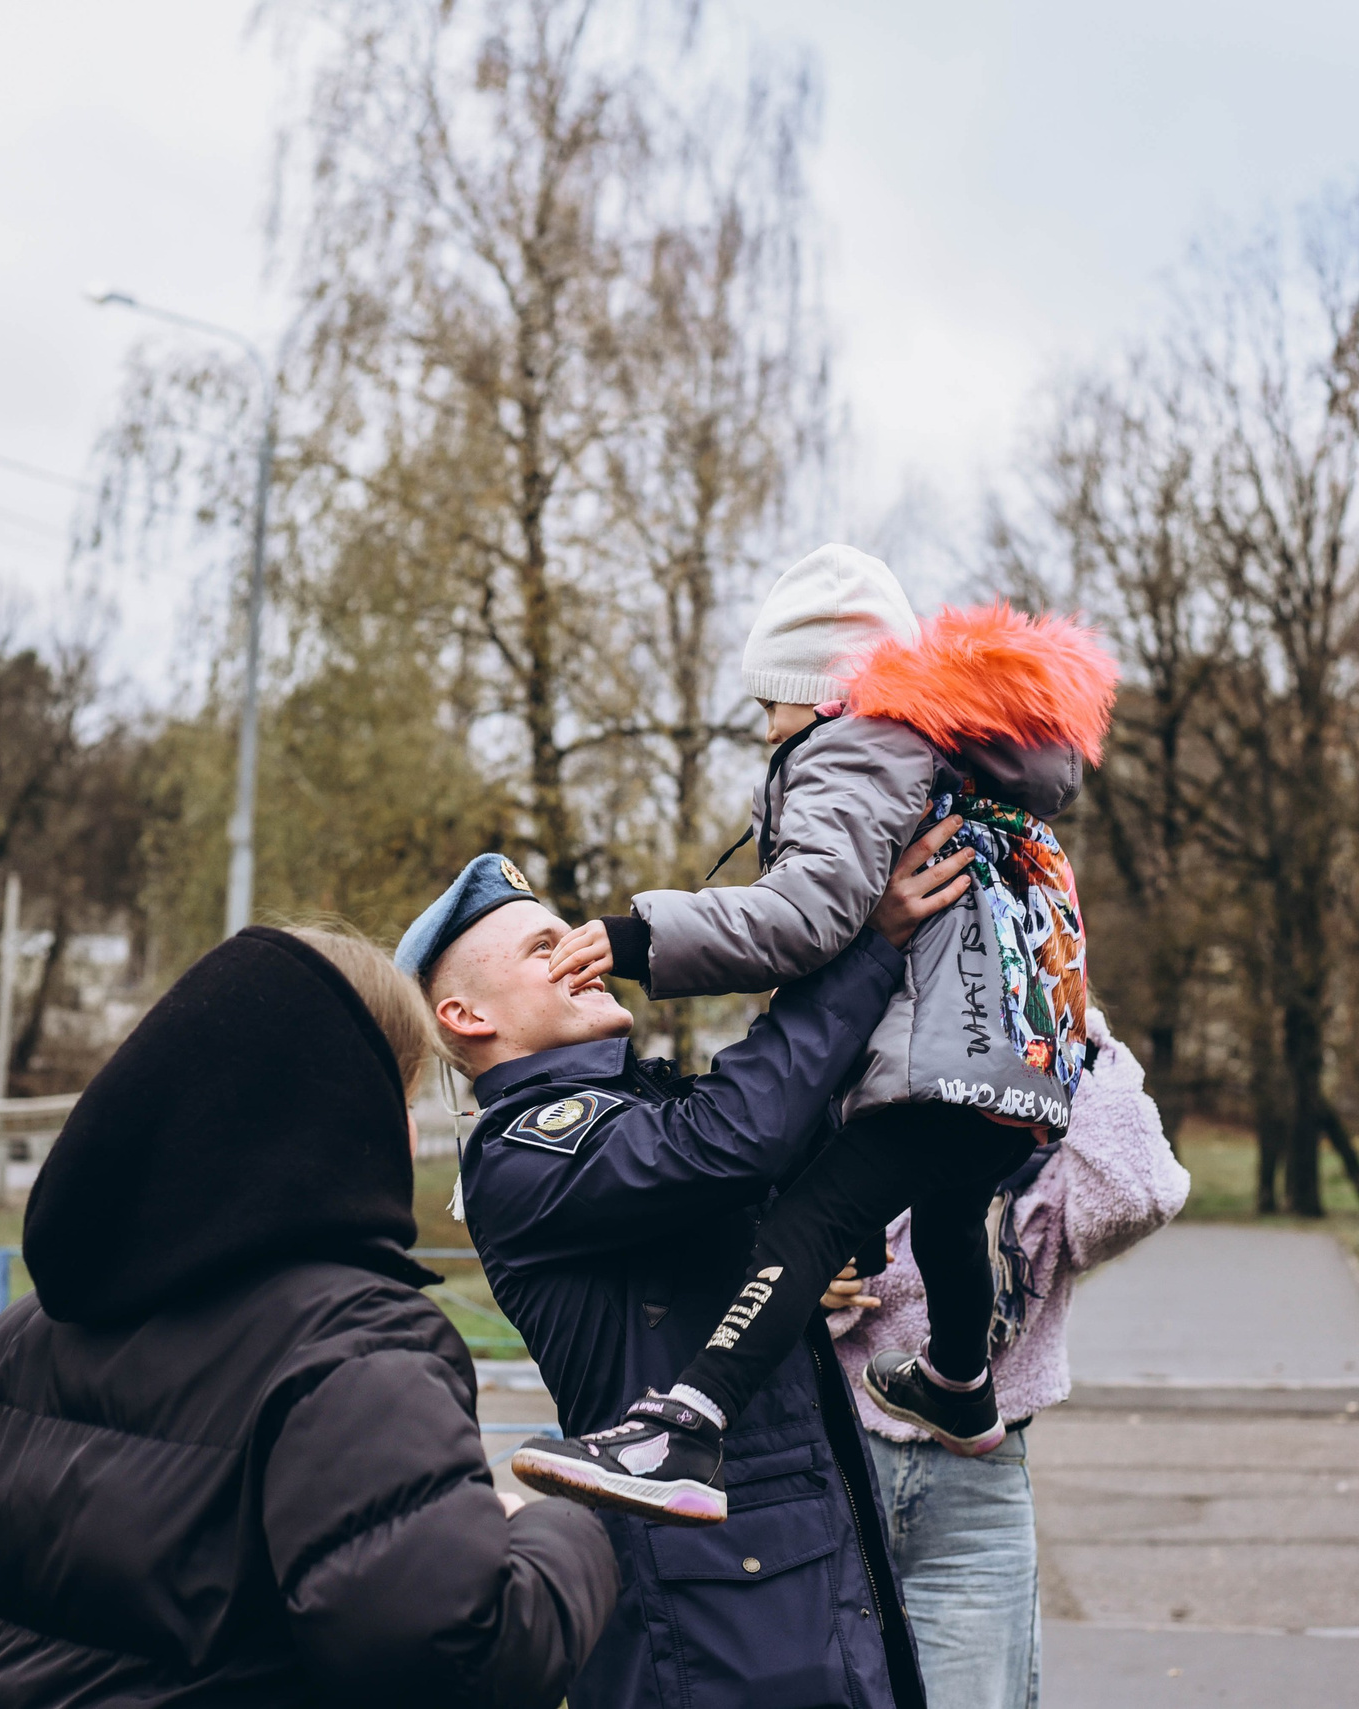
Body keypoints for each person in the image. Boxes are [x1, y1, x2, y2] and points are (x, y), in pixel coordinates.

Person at [519, 545, 1118, 1523]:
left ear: (823, 689)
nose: (766, 728)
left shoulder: (856, 743)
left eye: (771, 703)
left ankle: (688, 1428)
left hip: (945, 1064)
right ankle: (960, 1383)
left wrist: (639, 933)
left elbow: (804, 914)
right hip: (1027, 1068)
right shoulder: (965, 753)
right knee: (948, 1209)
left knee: (811, 1218)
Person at [0, 925, 617, 1709]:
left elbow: (0, 1588)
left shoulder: (12, 1346)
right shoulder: (355, 1349)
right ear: (340, 1104)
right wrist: (557, 1533)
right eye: (401, 1096)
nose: (411, 1130)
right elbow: (456, 1664)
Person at [397, 831, 974, 1709]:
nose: (584, 950)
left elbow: (791, 1138)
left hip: (791, 1576)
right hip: (713, 1629)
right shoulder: (525, 1148)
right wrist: (866, 946)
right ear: (469, 1018)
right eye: (543, 947)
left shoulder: (638, 1102)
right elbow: (740, 1136)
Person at [831, 1010, 1189, 1709]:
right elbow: (737, 1236)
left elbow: (1143, 1191)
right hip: (833, 1471)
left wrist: (1069, 1014)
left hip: (974, 1501)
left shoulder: (1047, 1160)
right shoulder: (849, 1099)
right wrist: (799, 1276)